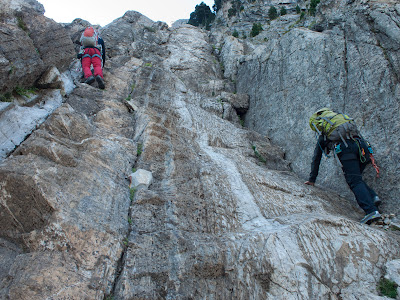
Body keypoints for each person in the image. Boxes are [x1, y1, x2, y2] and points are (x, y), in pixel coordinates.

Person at [304, 108, 381, 224]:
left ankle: (371, 211)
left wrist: (312, 179)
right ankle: (373, 197)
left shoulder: (324, 136)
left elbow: (317, 157)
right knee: (356, 178)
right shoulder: (343, 124)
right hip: (362, 147)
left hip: (347, 150)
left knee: (354, 181)